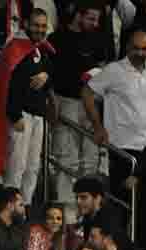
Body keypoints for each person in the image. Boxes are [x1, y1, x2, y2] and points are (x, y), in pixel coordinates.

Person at [84, 30, 146, 250]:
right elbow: (87, 93)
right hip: (122, 147)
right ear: (127, 47)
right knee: (122, 201)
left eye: (145, 49)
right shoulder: (114, 70)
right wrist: (98, 126)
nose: (141, 53)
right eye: (136, 48)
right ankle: (118, 249)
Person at [0, 8, 54, 207]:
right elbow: (6, 83)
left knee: (32, 166)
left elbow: (50, 73)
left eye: (43, 26)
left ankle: (26, 207)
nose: (40, 30)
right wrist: (14, 114)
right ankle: (10, 207)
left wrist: (46, 76)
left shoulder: (42, 49)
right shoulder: (15, 48)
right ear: (27, 24)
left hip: (38, 115)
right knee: (16, 165)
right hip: (21, 116)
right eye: (36, 25)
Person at [48, 0, 112, 211]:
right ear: (78, 15)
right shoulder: (58, 38)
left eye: (97, 20)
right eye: (90, 19)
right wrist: (52, 100)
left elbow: (102, 68)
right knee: (67, 159)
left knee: (90, 161)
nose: (95, 23)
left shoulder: (98, 39)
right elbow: (49, 73)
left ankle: (87, 211)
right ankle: (67, 212)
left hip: (91, 104)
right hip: (66, 101)